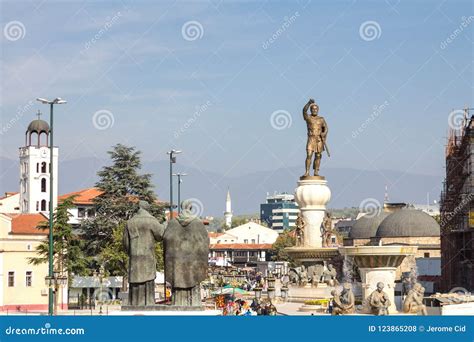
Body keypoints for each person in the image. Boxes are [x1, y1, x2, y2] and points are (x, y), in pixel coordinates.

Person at [123, 201, 164, 306]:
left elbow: (125, 243)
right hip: (147, 257)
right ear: (147, 208)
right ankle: (148, 303)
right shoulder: (151, 220)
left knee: (135, 281)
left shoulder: (130, 222)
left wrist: (132, 253)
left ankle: (134, 303)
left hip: (134, 258)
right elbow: (161, 235)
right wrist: (164, 224)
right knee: (148, 281)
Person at [302, 98, 329, 177]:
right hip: (311, 139)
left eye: (316, 109)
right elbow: (304, 111)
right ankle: (307, 172)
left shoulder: (321, 119)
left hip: (319, 139)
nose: (315, 110)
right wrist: (309, 103)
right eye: (313, 109)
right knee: (309, 155)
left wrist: (324, 133)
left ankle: (316, 171)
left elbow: (326, 128)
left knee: (318, 155)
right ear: (311, 110)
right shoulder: (308, 118)